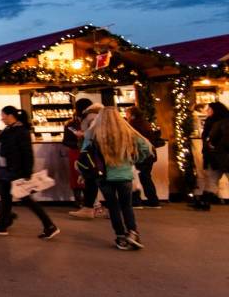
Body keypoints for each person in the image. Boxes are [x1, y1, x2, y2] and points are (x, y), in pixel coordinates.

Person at [84, 107, 152, 250]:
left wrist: (83, 173)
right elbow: (146, 148)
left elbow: (85, 154)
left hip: (103, 176)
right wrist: (133, 160)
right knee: (126, 205)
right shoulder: (127, 132)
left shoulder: (93, 133)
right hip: (124, 175)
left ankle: (120, 236)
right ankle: (133, 232)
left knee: (113, 207)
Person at [0, 106, 59, 239]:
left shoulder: (20, 131)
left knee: (25, 199)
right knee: (6, 199)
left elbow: (27, 153)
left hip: (15, 171)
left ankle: (49, 225)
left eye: (3, 115)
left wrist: (27, 173)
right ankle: (2, 225)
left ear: (10, 115)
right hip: (6, 170)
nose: (1, 118)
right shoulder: (9, 129)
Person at [68, 99, 105, 219]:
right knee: (94, 180)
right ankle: (92, 208)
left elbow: (92, 134)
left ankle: (90, 209)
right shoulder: (98, 114)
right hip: (97, 151)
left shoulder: (91, 116)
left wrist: (82, 135)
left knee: (92, 179)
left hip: (92, 152)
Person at [193, 101, 229, 211]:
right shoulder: (211, 121)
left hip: (223, 155)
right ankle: (205, 201)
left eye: (210, 109)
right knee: (211, 179)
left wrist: (214, 146)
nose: (207, 111)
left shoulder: (224, 122)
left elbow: (226, 139)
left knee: (212, 178)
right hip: (213, 156)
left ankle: (204, 201)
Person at [125, 106, 162, 208]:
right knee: (145, 178)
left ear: (132, 115)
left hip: (140, 155)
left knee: (136, 177)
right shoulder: (145, 123)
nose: (126, 115)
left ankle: (136, 201)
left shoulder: (133, 125)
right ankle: (153, 201)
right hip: (149, 155)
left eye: (127, 113)